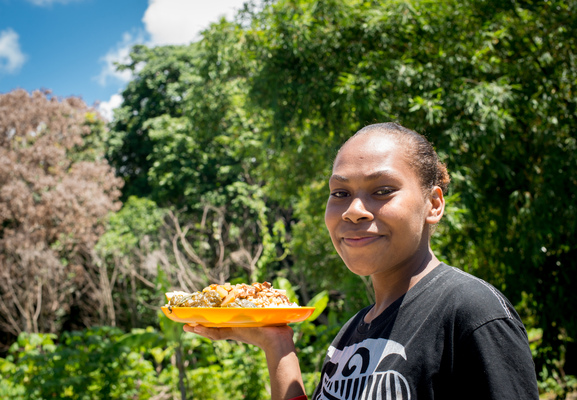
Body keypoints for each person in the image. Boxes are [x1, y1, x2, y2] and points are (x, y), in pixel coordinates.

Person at [184, 122, 539, 400]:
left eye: (382, 190)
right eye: (340, 193)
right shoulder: (350, 335)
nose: (353, 211)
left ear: (434, 204)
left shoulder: (472, 314)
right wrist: (277, 345)